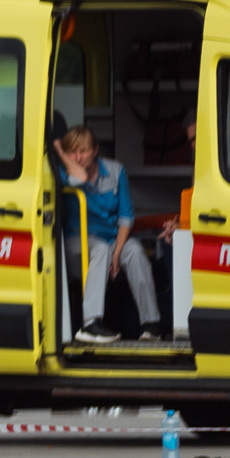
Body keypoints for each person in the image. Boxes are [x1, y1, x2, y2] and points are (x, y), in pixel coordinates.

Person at [55, 125, 161, 341]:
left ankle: (152, 325)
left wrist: (117, 253)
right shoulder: (64, 170)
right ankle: (90, 323)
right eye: (72, 151)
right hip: (76, 242)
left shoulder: (115, 170)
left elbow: (125, 216)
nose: (78, 156)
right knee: (101, 249)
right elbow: (81, 177)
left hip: (113, 239)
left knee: (135, 252)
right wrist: (58, 150)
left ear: (95, 150)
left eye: (83, 150)